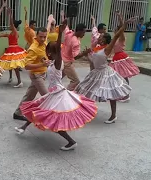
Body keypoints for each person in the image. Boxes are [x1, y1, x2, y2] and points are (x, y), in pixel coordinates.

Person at [14, 19, 98, 151]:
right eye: (48, 52)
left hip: (58, 94)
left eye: (50, 52)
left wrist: (59, 35)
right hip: (53, 92)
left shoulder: (58, 62)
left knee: (54, 119)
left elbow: (58, 49)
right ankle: (23, 127)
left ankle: (71, 141)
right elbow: (47, 57)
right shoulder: (52, 61)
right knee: (39, 109)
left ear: (54, 53)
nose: (47, 53)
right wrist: (44, 61)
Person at [75, 15, 135, 124]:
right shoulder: (96, 48)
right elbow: (93, 59)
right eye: (100, 36)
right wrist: (85, 55)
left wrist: (124, 24)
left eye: (102, 37)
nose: (99, 38)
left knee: (111, 94)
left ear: (105, 41)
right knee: (86, 90)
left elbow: (117, 36)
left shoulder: (107, 48)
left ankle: (113, 116)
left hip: (105, 72)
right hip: (96, 72)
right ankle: (84, 110)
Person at [12, 20, 54, 121]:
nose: (43, 39)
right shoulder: (33, 48)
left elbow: (47, 30)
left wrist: (49, 21)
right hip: (36, 75)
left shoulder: (44, 43)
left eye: (45, 36)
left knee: (29, 96)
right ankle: (50, 118)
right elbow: (26, 66)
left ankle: (17, 113)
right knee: (47, 97)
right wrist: (42, 64)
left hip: (42, 74)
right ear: (36, 36)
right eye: (41, 37)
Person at [109, 12, 139, 102]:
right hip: (116, 58)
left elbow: (122, 29)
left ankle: (126, 95)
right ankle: (122, 93)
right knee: (118, 77)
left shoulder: (122, 38)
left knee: (124, 76)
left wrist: (121, 19)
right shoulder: (115, 38)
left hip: (121, 57)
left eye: (116, 30)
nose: (115, 31)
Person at [0, 8, 27, 88]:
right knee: (10, 64)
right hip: (10, 49)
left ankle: (19, 81)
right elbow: (0, 35)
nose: (9, 26)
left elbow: (12, 24)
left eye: (11, 25)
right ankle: (10, 77)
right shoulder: (10, 34)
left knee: (15, 66)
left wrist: (9, 15)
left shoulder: (15, 32)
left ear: (14, 26)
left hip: (14, 50)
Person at [61, 20, 89, 91]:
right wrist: (85, 53)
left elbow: (65, 27)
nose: (84, 34)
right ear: (79, 31)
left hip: (61, 60)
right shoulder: (75, 42)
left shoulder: (68, 33)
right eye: (83, 32)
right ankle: (66, 95)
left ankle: (55, 91)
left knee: (58, 78)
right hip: (67, 63)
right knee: (75, 81)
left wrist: (64, 20)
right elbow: (76, 57)